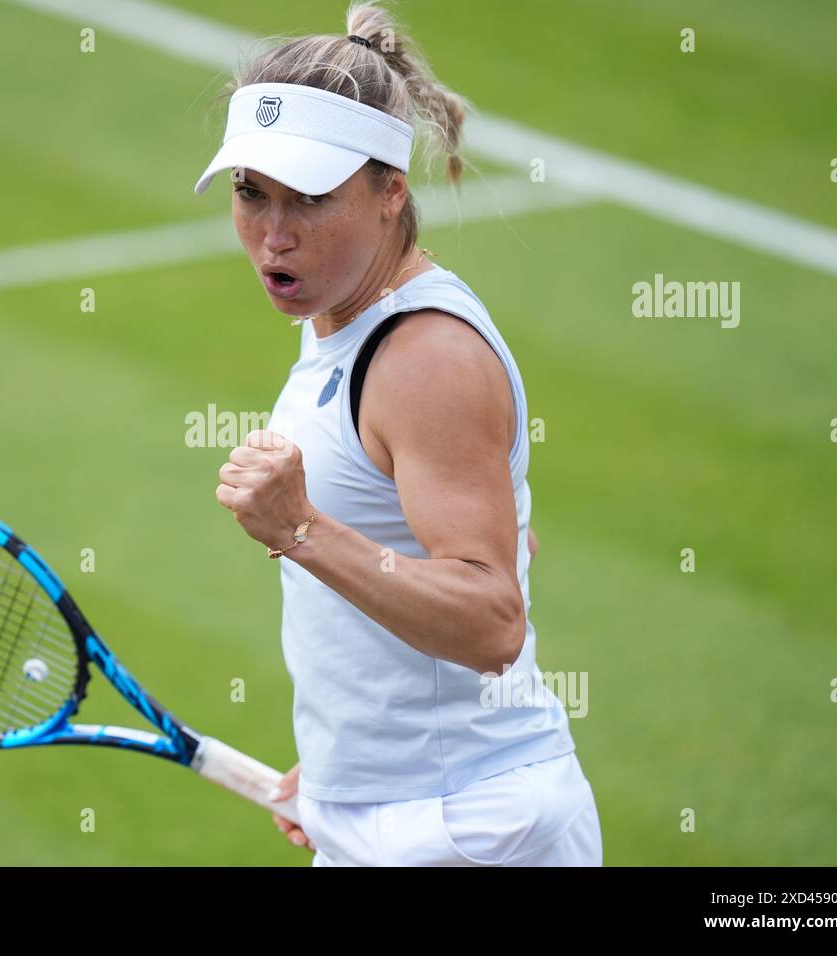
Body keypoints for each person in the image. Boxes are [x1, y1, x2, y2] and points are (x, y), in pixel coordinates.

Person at [199, 2, 602, 865]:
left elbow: (493, 620)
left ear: (391, 190)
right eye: (250, 192)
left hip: (470, 827)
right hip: (396, 805)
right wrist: (351, 768)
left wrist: (301, 529)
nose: (274, 233)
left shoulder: (424, 358)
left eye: (310, 197)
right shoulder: (345, 317)